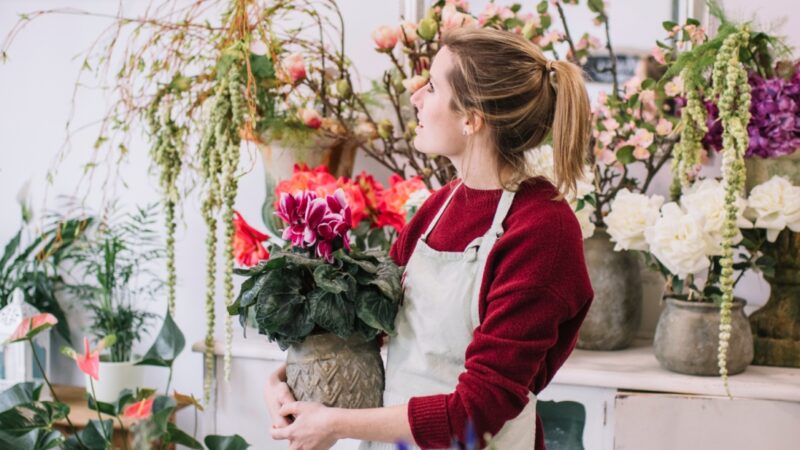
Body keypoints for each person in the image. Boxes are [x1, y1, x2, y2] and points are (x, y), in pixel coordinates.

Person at [265, 27, 594, 450]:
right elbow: (372, 331)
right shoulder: (438, 207)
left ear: (471, 119)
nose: (416, 97)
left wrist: (335, 423)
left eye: (433, 87)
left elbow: (480, 409)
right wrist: (285, 378)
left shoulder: (542, 229)